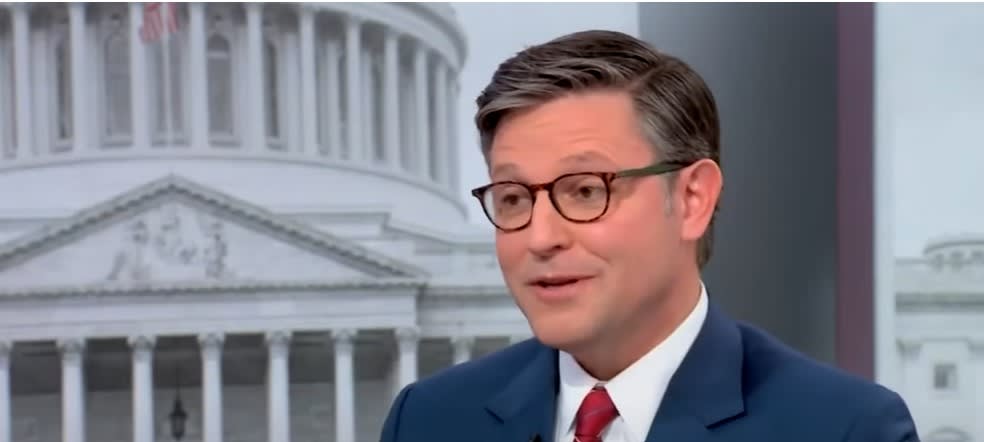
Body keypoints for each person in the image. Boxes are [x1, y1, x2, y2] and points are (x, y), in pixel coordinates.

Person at [379, 29, 918, 442]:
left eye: (585, 190)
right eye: (514, 198)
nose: (540, 238)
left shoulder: (845, 428)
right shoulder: (428, 420)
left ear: (692, 199)